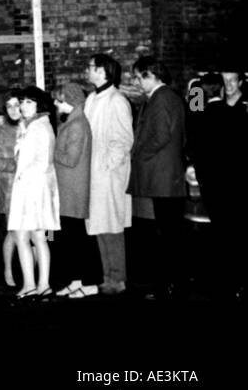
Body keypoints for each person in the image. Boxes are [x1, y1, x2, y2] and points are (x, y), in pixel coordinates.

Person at [129, 57, 186, 300]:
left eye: (138, 77)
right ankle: (171, 284)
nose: (136, 82)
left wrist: (139, 152)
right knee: (169, 233)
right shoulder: (167, 97)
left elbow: (161, 136)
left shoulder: (161, 99)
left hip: (161, 175)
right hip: (165, 175)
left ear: (150, 75)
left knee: (167, 235)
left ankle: (168, 286)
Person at [190, 68, 246, 298]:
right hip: (233, 183)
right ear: (222, 88)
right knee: (233, 232)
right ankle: (234, 282)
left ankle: (215, 279)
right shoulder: (234, 114)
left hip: (209, 184)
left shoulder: (199, 116)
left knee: (216, 230)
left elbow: (193, 146)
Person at [84, 53, 133, 295]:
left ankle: (118, 277)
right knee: (98, 225)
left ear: (103, 71)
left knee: (112, 227)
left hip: (108, 175)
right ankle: (106, 276)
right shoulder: (93, 98)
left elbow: (123, 141)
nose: (87, 70)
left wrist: (107, 167)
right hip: (93, 174)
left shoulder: (117, 100)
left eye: (91, 67)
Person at [9, 87, 59, 299]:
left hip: (35, 189)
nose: (23, 106)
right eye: (22, 102)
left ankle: (43, 283)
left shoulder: (41, 127)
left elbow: (43, 161)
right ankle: (30, 283)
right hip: (26, 188)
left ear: (39, 104)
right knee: (23, 236)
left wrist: (24, 176)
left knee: (38, 237)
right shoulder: (27, 126)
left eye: (29, 102)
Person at [52, 82, 98, 298]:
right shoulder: (74, 122)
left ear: (68, 100)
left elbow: (70, 159)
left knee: (78, 238)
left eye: (58, 99)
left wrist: (50, 152)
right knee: (73, 237)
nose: (55, 103)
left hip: (72, 189)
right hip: (69, 189)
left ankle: (89, 283)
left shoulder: (77, 125)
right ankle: (77, 280)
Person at [0, 90, 23, 288]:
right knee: (13, 232)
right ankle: (9, 270)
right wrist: (16, 164)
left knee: (38, 234)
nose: (13, 110)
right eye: (9, 106)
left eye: (16, 105)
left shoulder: (33, 126)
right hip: (11, 190)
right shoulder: (1, 132)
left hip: (32, 189)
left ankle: (32, 273)